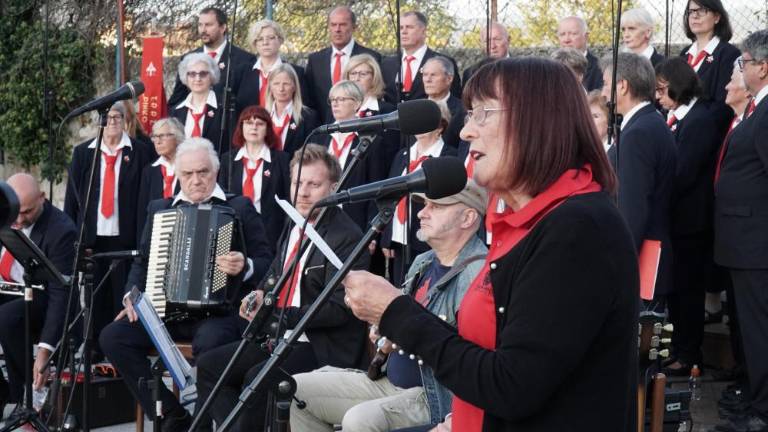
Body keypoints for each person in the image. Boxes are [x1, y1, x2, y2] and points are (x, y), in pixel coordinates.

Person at [343, 57, 638, 431]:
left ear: (536, 121)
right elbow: (486, 354)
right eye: (468, 115)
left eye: (483, 113)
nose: (466, 132)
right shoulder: (524, 222)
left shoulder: (577, 229)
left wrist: (396, 312)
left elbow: (514, 385)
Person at [190, 144, 370, 432]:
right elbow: (275, 272)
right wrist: (259, 293)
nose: (303, 192)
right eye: (299, 182)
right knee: (210, 367)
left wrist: (282, 316)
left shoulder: (348, 236)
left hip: (320, 345)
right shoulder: (294, 223)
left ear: (334, 187)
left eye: (314, 184)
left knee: (256, 378)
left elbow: (338, 310)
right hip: (281, 337)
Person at [99, 137, 273, 430]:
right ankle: (172, 414)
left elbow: (268, 262)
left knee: (210, 342)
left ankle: (201, 425)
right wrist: (131, 296)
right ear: (177, 175)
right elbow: (142, 262)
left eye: (203, 172)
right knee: (113, 337)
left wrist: (246, 265)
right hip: (167, 313)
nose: (196, 180)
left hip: (221, 315)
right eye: (188, 174)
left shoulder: (239, 207)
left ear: (215, 172)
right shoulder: (160, 209)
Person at [290, 181, 489, 432]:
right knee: (295, 392)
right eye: (424, 204)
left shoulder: (478, 274)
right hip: (388, 381)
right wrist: (381, 326)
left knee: (359, 420)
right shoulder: (423, 261)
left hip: (433, 396)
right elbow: (396, 322)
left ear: (468, 217)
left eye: (436, 206)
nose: (421, 212)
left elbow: (472, 360)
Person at [713, 29, 768, 432]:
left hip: (758, 245)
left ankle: (762, 412)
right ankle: (754, 395)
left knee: (760, 329)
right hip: (743, 242)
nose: (740, 67)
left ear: (762, 67)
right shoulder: (755, 109)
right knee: (750, 330)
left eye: (744, 62)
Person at [64, 101, 153, 347]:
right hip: (94, 238)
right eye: (107, 117)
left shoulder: (140, 151)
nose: (112, 122)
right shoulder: (83, 153)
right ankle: (95, 348)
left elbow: (146, 196)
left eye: (117, 117)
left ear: (126, 120)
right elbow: (72, 199)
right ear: (99, 122)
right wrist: (73, 238)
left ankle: (120, 344)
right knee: (95, 297)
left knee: (122, 293)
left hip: (125, 237)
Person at [654, 57, 721, 377]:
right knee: (677, 292)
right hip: (676, 221)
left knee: (688, 292)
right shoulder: (677, 117)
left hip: (691, 222)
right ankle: (679, 349)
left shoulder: (700, 119)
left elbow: (684, 170)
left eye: (663, 89)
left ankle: (689, 353)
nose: (658, 96)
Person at [601, 53, 676, 307]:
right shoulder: (649, 124)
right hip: (648, 254)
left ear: (621, 85)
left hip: (644, 260)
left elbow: (633, 207)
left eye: (605, 83)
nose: (603, 92)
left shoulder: (639, 133)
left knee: (647, 342)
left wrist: (618, 263)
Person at [0, 174, 76, 417]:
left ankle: (27, 392)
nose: (19, 219)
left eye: (27, 212)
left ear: (42, 198)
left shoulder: (61, 230)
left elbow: (60, 293)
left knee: (7, 318)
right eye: (16, 212)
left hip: (41, 298)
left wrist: (45, 349)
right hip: (7, 289)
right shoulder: (5, 213)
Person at [380, 101, 456, 287]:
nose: (419, 127)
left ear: (441, 126)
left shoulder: (449, 157)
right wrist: (387, 237)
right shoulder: (402, 155)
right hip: (400, 238)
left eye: (426, 122)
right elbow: (390, 195)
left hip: (429, 239)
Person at [316, 80, 387, 232]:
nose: (335, 104)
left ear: (357, 104)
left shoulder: (370, 141)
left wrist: (370, 227)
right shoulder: (321, 137)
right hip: (319, 216)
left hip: (353, 219)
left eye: (341, 99)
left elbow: (376, 186)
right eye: (333, 100)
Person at [219, 105, 291, 252]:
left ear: (268, 129)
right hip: (236, 232)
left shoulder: (281, 160)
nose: (254, 128)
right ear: (241, 127)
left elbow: (288, 199)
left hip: (271, 236)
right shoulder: (228, 160)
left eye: (260, 124)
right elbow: (222, 198)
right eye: (249, 123)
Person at [305, 6, 382, 123]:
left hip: (362, 124)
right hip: (324, 129)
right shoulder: (315, 60)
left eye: (343, 24)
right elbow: (310, 100)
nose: (337, 29)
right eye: (333, 24)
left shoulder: (372, 57)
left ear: (354, 27)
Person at [167, 7, 255, 108]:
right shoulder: (188, 59)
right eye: (200, 25)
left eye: (208, 25)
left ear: (222, 28)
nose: (203, 30)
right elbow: (177, 101)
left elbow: (247, 105)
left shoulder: (245, 60)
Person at [680, 0, 740, 127]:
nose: (695, 15)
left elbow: (723, 107)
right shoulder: (684, 54)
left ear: (717, 17)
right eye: (691, 11)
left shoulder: (728, 54)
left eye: (701, 10)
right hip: (677, 127)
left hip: (705, 131)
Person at [382, 11, 461, 104]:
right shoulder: (386, 64)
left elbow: (455, 99)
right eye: (401, 28)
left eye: (409, 27)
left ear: (423, 31)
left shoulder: (442, 62)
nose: (403, 32)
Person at [235, 19, 308, 115]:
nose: (265, 42)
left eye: (271, 38)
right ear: (255, 43)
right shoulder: (241, 72)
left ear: (280, 40)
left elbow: (304, 108)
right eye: (260, 39)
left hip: (284, 127)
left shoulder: (296, 72)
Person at [343, 53, 399, 170]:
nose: (357, 78)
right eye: (353, 73)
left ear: (374, 78)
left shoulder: (387, 111)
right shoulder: (339, 108)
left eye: (363, 74)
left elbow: (390, 153)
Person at [171, 53, 230, 155]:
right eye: (192, 74)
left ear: (212, 76)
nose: (197, 79)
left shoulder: (225, 108)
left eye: (203, 74)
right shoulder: (176, 111)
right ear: (186, 77)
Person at [136, 117, 185, 238]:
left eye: (162, 136)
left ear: (177, 137)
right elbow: (143, 213)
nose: (157, 141)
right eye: (155, 136)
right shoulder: (149, 171)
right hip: (157, 238)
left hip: (184, 233)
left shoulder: (189, 168)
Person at [266, 63, 320, 156]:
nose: (281, 89)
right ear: (270, 87)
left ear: (294, 86)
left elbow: (313, 153)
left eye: (286, 84)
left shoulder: (308, 117)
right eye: (276, 83)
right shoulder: (262, 115)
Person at [422, 56, 466, 149]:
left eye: (433, 75)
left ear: (449, 78)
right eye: (425, 74)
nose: (427, 80)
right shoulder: (414, 109)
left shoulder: (462, 111)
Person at [557, 16, 603, 91]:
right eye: (562, 34)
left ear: (586, 37)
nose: (566, 40)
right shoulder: (550, 68)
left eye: (573, 34)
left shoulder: (601, 69)